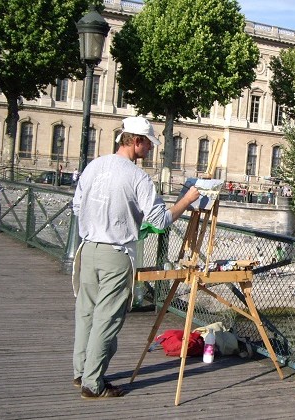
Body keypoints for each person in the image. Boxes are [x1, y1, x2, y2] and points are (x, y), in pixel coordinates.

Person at [71, 116, 200, 399]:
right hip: (116, 253)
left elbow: (77, 206)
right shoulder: (137, 177)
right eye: (149, 144)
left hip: (88, 248)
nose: (151, 150)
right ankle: (93, 384)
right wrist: (187, 201)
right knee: (107, 320)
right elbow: (161, 220)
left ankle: (81, 371)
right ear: (137, 141)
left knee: (86, 314)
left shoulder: (94, 166)